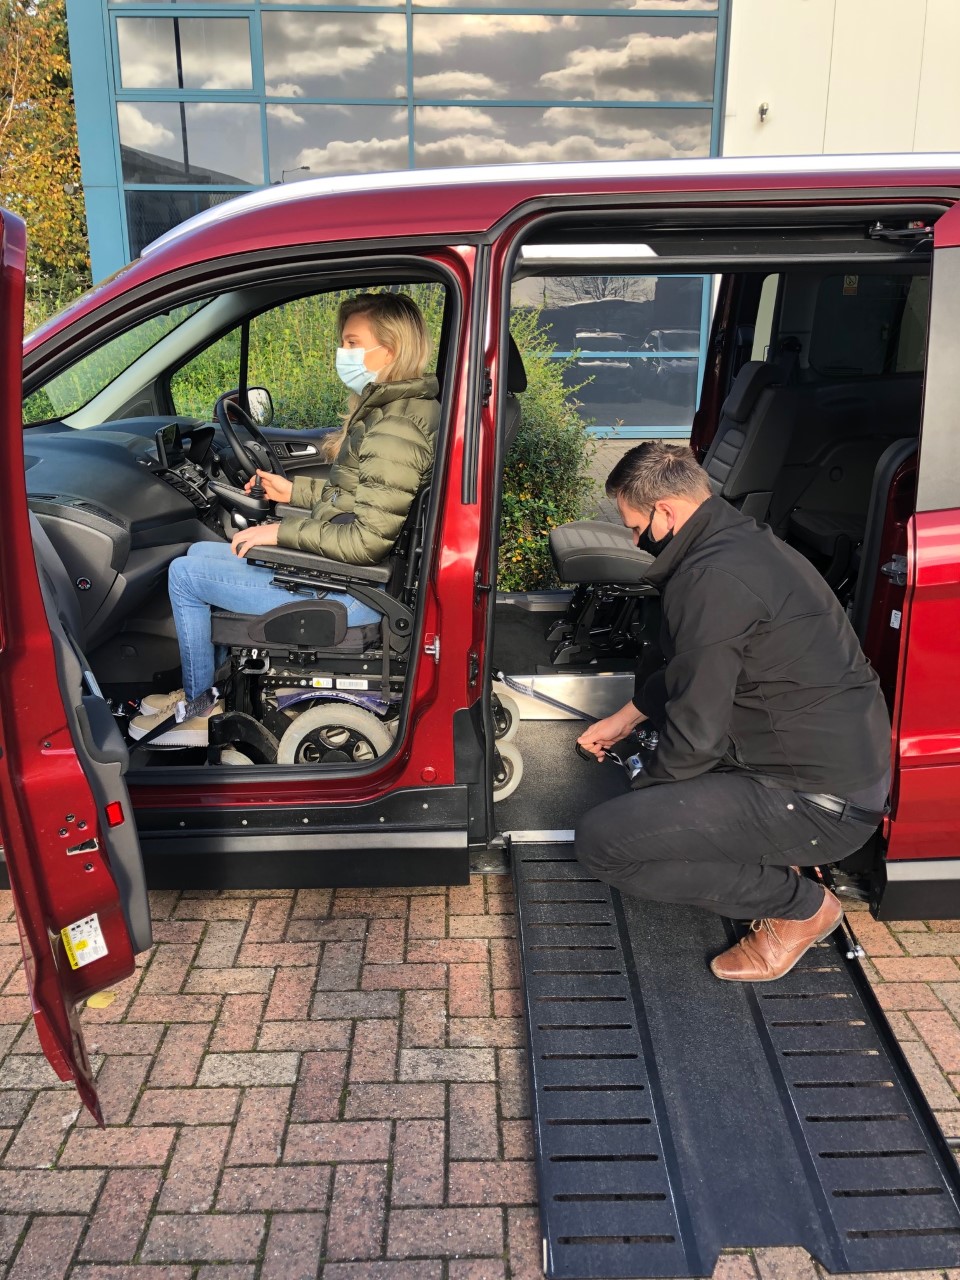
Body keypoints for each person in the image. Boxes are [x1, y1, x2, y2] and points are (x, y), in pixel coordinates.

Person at [575, 442, 891, 982]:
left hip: (818, 800)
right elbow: (691, 668)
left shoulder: (708, 581)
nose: (633, 540)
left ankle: (801, 908)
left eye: (633, 527)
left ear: (666, 512)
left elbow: (696, 736)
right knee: (652, 796)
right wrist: (627, 717)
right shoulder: (738, 543)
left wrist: (652, 802)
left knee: (607, 843)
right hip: (823, 765)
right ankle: (771, 856)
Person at [129, 291, 440, 748]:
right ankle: (207, 692)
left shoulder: (394, 427)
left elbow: (368, 539)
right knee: (198, 551)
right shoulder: (399, 412)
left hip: (351, 591)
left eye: (353, 343)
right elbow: (357, 498)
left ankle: (201, 707)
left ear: (389, 350)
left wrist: (279, 530)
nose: (344, 353)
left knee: (185, 574)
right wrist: (291, 491)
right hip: (353, 579)